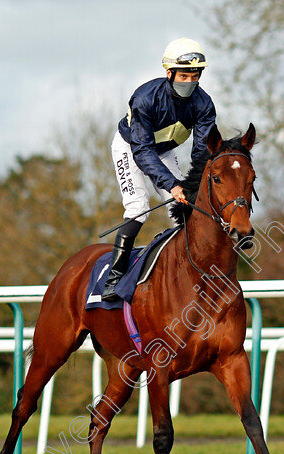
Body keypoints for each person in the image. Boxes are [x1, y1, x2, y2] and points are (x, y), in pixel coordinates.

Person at [101, 37, 217, 301]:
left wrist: (192, 186)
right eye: (184, 75)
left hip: (164, 152)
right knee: (138, 208)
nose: (190, 81)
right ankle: (114, 277)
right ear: (169, 73)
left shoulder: (204, 105)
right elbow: (142, 151)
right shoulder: (144, 98)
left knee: (183, 208)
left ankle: (193, 273)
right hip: (130, 148)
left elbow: (201, 152)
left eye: (195, 75)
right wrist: (172, 183)